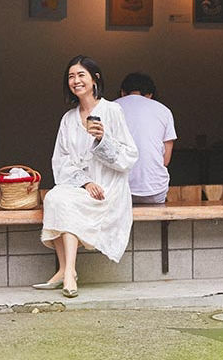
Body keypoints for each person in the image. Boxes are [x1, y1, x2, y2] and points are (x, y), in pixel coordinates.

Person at [35, 55, 138, 298]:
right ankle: (65, 270)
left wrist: (103, 139)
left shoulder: (112, 111)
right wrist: (85, 181)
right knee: (54, 198)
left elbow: (129, 156)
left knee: (67, 203)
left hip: (108, 187)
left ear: (95, 79)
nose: (76, 80)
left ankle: (68, 272)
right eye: (71, 76)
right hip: (81, 183)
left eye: (81, 75)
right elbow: (60, 160)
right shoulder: (68, 119)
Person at [114, 73, 176, 204]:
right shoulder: (164, 111)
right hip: (156, 189)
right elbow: (165, 160)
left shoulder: (110, 108)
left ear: (122, 92)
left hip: (120, 191)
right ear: (150, 94)